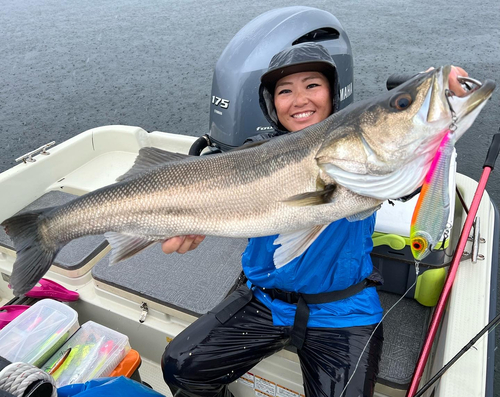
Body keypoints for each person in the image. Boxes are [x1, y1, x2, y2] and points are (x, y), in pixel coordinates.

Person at [160, 42, 469, 397]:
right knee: (180, 366)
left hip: (342, 308)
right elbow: (216, 192)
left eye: (312, 85)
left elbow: (407, 171)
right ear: (271, 103)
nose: (299, 99)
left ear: (333, 94)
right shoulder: (253, 153)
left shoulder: (366, 152)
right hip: (262, 300)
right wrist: (192, 220)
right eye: (285, 90)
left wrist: (439, 96)